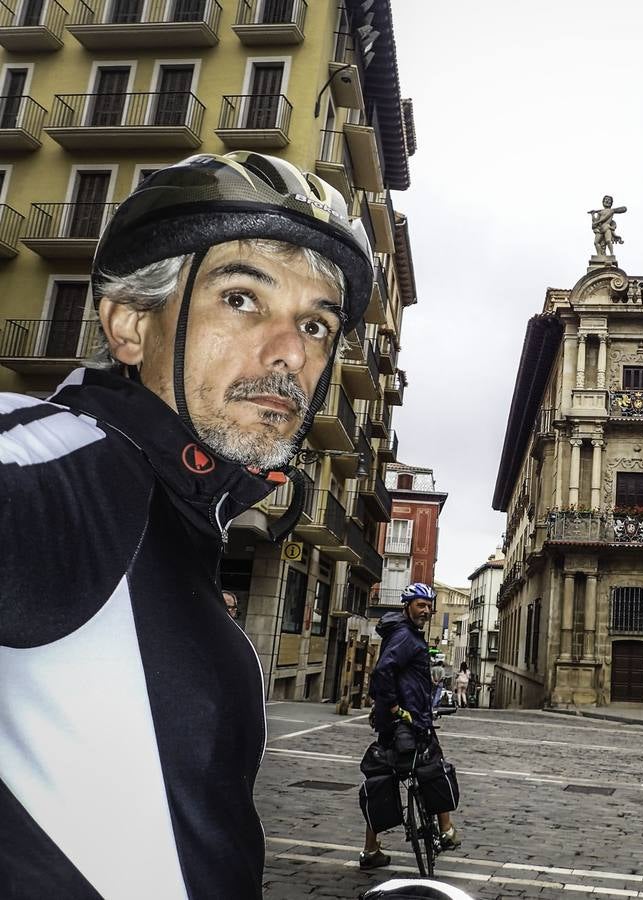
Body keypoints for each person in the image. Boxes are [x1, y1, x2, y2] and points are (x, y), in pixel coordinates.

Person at [0, 150, 373, 899]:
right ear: (131, 325)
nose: (292, 352)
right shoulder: (61, 467)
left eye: (318, 324)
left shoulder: (180, 515)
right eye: (241, 299)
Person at [362, 583, 461, 869]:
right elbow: (383, 671)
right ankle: (446, 830)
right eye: (421, 605)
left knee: (382, 780)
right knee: (433, 765)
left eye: (429, 606)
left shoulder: (401, 634)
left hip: (394, 722)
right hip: (408, 720)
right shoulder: (405, 636)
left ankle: (370, 850)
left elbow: (385, 675)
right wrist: (394, 707)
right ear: (407, 605)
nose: (427, 611)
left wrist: (381, 706)